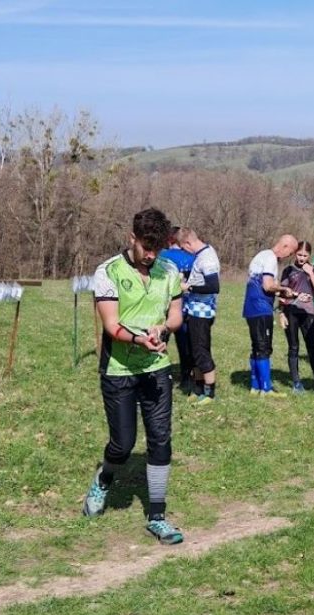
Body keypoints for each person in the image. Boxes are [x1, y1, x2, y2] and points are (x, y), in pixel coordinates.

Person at [82, 208, 185, 544]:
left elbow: (176, 315)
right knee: (123, 445)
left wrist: (163, 328)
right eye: (146, 247)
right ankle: (104, 477)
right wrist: (140, 339)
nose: (151, 255)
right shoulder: (108, 271)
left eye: (158, 248)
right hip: (119, 370)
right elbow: (111, 325)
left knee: (160, 439)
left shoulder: (169, 270)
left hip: (156, 368)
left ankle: (157, 516)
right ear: (132, 238)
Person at [243, 234, 299, 396]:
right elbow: (267, 285)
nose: (289, 256)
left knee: (257, 346)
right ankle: (266, 388)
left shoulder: (262, 255)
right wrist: (284, 289)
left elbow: (261, 284)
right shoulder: (271, 258)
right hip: (261, 308)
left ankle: (255, 386)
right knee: (264, 347)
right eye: (291, 252)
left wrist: (280, 293)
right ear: (285, 246)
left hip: (251, 307)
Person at [177, 227, 221, 404]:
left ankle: (210, 393)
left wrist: (188, 287)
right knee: (194, 352)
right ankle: (198, 387)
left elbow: (213, 286)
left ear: (188, 243)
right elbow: (200, 277)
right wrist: (186, 275)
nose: (184, 251)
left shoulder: (207, 258)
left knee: (201, 351)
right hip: (192, 310)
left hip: (202, 313)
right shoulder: (201, 255)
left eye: (183, 248)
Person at [279, 241, 314, 393]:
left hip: (308, 313)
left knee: (313, 349)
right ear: (295, 254)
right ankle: (296, 383)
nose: (302, 258)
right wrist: (281, 312)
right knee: (293, 347)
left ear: (309, 255)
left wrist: (311, 273)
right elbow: (282, 292)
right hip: (291, 312)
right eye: (299, 254)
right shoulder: (288, 270)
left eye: (305, 255)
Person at [158, 227, 196, 394]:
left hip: (164, 305)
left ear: (169, 240)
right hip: (186, 305)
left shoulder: (162, 256)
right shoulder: (193, 257)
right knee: (185, 344)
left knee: (160, 340)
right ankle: (186, 377)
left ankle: (156, 373)